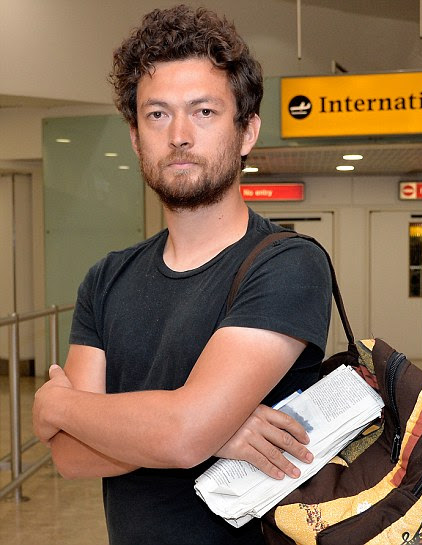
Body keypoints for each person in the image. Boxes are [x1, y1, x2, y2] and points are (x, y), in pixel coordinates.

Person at [32, 5, 331, 545]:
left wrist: (61, 405)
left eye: (205, 111)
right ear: (135, 136)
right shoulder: (105, 280)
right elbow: (70, 455)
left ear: (247, 131)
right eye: (157, 114)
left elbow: (184, 434)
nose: (180, 135)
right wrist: (213, 431)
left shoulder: (287, 263)